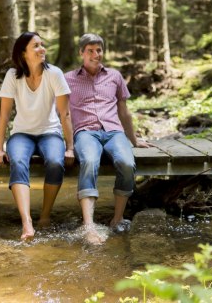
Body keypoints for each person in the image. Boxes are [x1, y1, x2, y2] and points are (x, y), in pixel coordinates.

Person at [65, 33, 151, 244]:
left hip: (113, 131)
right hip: (85, 131)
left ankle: (117, 218)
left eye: (99, 50)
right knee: (90, 161)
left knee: (126, 162)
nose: (96, 55)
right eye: (90, 51)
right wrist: (67, 145)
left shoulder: (114, 76)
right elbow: (63, 114)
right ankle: (89, 226)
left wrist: (134, 140)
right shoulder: (68, 79)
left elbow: (124, 112)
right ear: (81, 53)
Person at [0, 32, 74, 240]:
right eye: (36, 46)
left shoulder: (55, 74)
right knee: (18, 161)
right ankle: (27, 222)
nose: (42, 49)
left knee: (56, 162)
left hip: (50, 133)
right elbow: (4, 114)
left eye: (42, 45)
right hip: (21, 134)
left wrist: (70, 147)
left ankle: (45, 215)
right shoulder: (12, 76)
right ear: (23, 53)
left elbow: (65, 114)